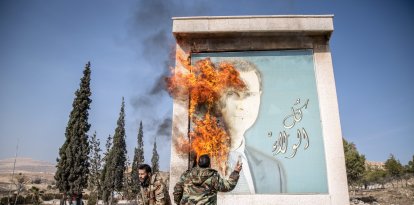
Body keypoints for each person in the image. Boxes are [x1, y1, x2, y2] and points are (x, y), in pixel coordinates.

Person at [218, 59, 286, 194]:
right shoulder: (196, 164)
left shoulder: (273, 170)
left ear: (259, 97)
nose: (241, 105)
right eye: (232, 93)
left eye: (249, 95)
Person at [174, 154, 242, 205]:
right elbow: (228, 186)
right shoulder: (213, 177)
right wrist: (236, 172)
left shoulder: (187, 175)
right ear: (209, 164)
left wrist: (178, 202)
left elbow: (178, 189)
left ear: (198, 164)